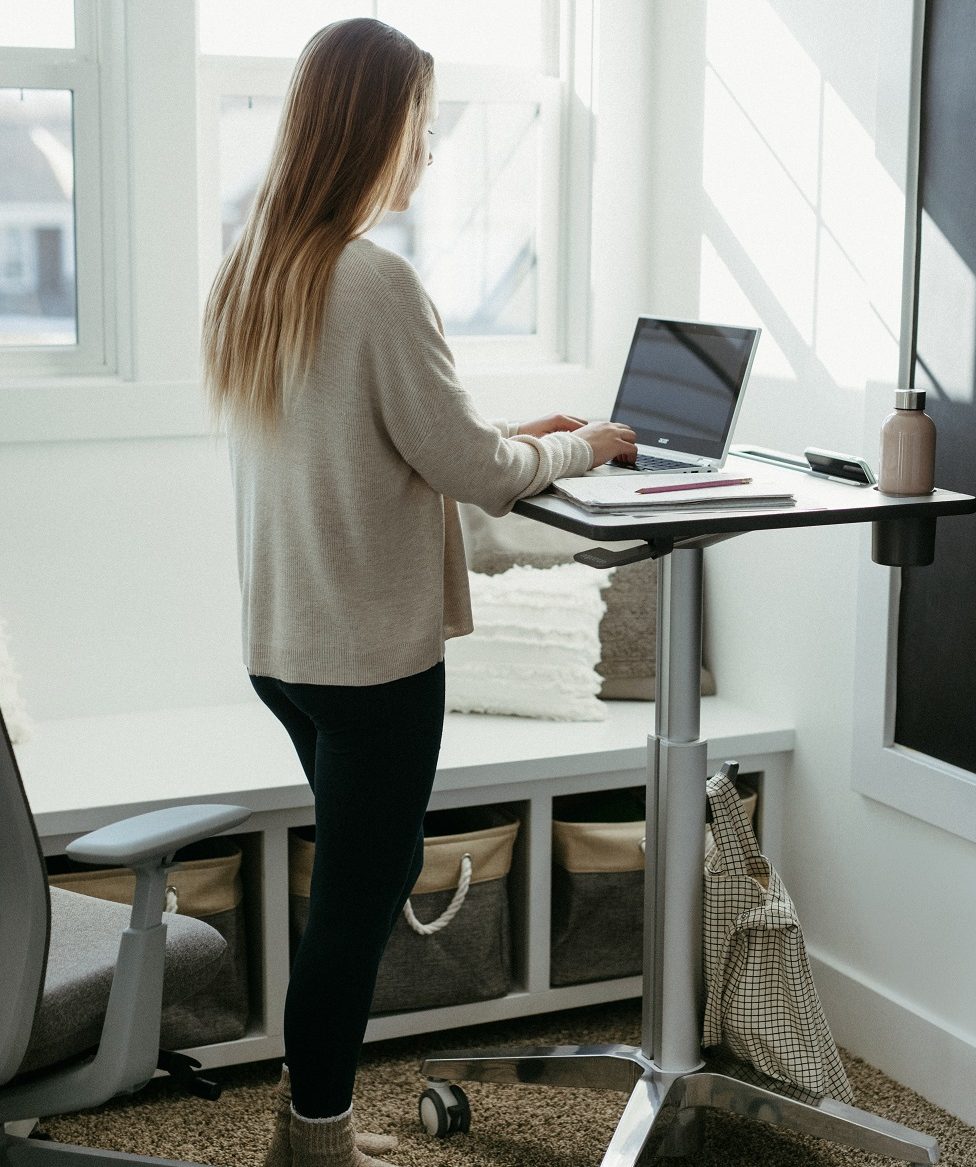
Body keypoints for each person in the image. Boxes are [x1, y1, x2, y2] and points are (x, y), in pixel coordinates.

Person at [201, 17, 636, 1167]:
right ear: (371, 130)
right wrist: (584, 444)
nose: (430, 151)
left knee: (368, 869)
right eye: (421, 126)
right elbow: (470, 472)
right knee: (355, 901)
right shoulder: (375, 278)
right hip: (372, 658)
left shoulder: (258, 269)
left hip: (284, 647)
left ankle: (313, 1111)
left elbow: (375, 432)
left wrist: (509, 432)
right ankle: (313, 1137)